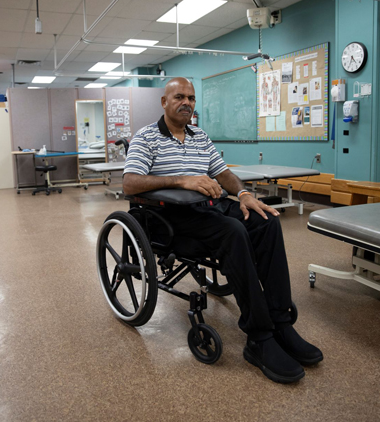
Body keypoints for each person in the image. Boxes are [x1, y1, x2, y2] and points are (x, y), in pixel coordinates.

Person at [123, 77, 323, 384]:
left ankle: (281, 322)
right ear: (164, 102)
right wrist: (181, 179)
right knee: (233, 232)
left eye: (190, 97)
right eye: (179, 97)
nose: (186, 102)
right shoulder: (146, 137)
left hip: (208, 208)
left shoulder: (200, 136)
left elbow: (223, 173)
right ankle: (259, 337)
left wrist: (243, 195)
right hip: (171, 218)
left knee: (266, 220)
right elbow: (131, 183)